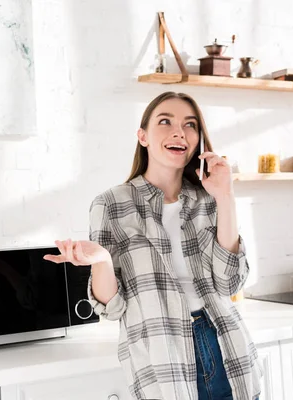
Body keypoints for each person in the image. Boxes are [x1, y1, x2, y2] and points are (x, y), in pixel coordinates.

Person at [44, 92, 261, 400]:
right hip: (162, 357)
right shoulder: (111, 204)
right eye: (165, 121)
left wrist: (225, 196)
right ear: (142, 136)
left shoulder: (208, 197)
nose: (179, 132)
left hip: (227, 347)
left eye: (190, 124)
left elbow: (230, 282)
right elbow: (113, 307)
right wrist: (102, 261)